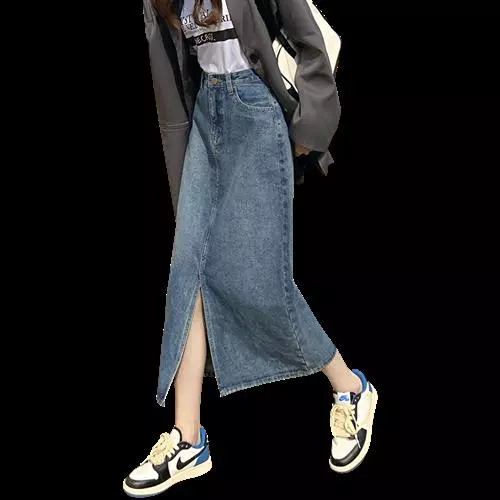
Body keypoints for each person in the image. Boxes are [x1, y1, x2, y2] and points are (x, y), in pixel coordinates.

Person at [124, 1, 378, 496]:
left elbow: (309, 40)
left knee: (259, 280)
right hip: (206, 116)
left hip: (256, 110)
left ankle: (351, 388)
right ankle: (187, 438)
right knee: (188, 270)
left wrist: (308, 127)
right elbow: (171, 89)